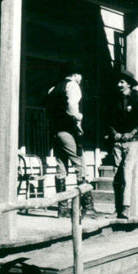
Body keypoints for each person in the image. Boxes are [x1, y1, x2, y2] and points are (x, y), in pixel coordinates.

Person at [46, 62, 95, 218]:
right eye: (80, 76)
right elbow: (72, 105)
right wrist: (78, 118)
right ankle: (87, 208)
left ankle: (62, 208)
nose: (81, 79)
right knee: (80, 164)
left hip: (55, 131)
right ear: (75, 74)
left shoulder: (53, 88)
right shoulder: (72, 86)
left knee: (61, 167)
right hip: (68, 131)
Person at [108, 69, 138, 220]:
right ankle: (117, 207)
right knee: (116, 176)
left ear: (129, 84)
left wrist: (133, 132)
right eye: (118, 82)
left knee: (127, 174)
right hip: (117, 142)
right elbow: (108, 119)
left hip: (132, 142)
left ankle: (125, 208)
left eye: (122, 82)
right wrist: (115, 133)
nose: (119, 84)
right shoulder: (114, 98)